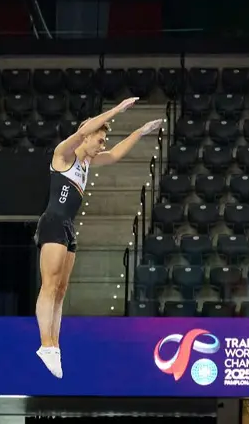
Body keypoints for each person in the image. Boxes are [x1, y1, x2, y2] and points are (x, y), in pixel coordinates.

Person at [35, 97, 163, 378]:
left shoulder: (88, 165)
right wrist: (117, 110)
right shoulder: (63, 156)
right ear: (88, 132)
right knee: (50, 284)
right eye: (100, 139)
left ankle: (54, 345)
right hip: (54, 222)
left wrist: (140, 131)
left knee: (61, 290)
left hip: (68, 226)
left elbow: (116, 154)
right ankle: (45, 344)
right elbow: (82, 133)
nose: (102, 145)